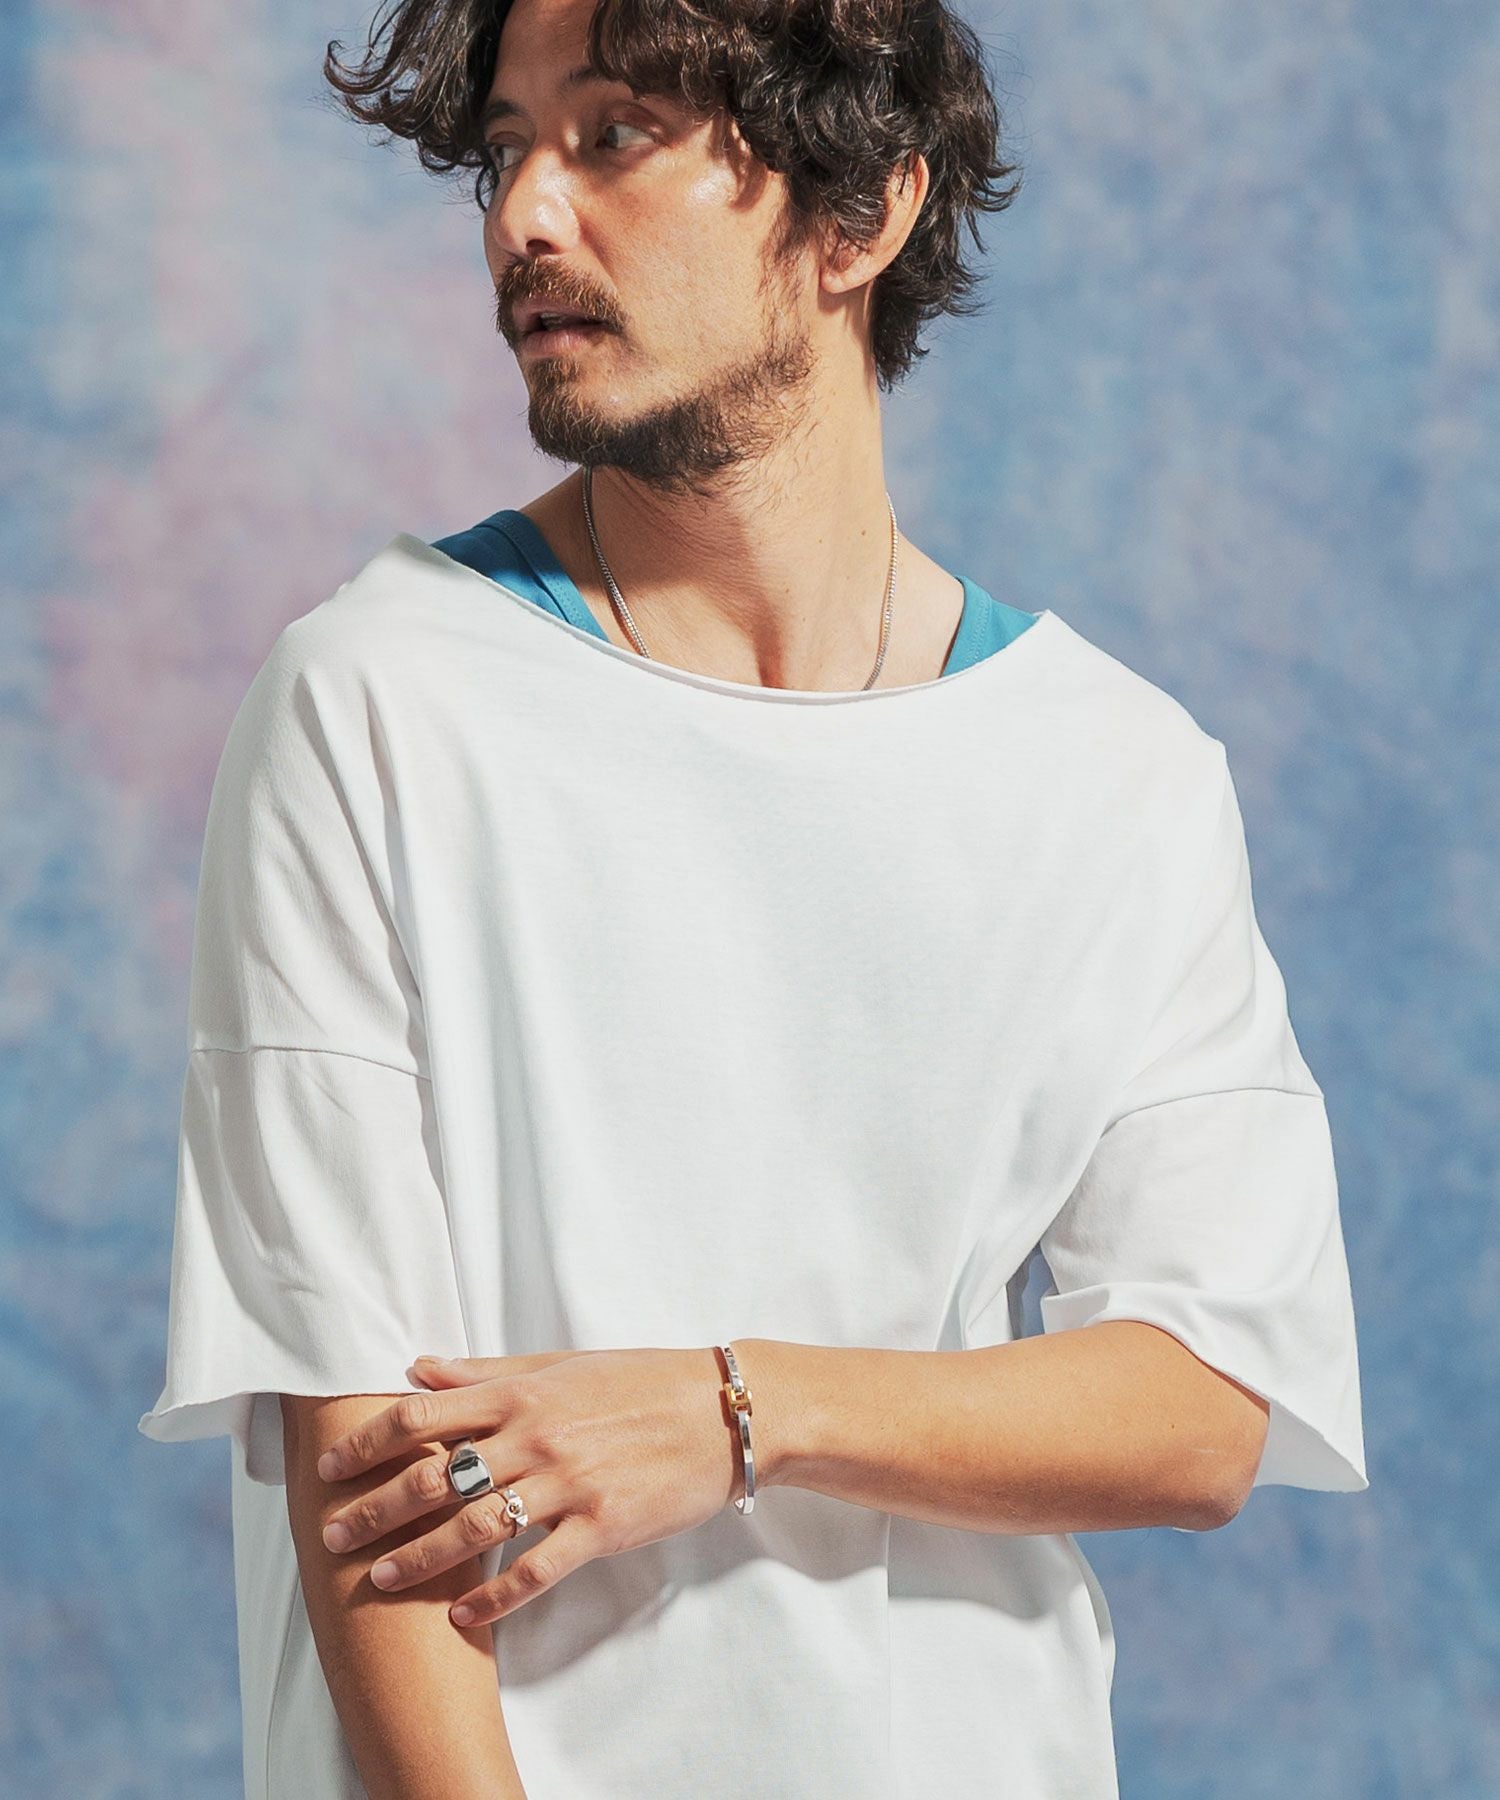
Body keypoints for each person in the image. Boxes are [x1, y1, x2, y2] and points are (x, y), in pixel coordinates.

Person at [137, 0, 1370, 1794]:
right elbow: (369, 1481)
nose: (523, 216)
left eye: (613, 133)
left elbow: (1202, 1407)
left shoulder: (1117, 773)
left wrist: (735, 1409)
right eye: (506, 149)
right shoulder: (374, 702)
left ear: (861, 210)